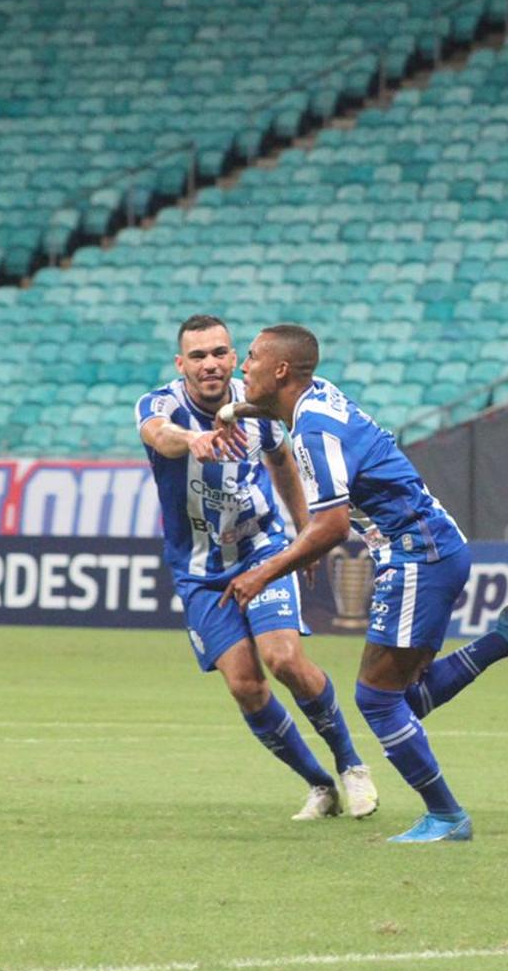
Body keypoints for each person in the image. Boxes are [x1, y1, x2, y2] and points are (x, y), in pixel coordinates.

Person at [216, 323, 508, 843]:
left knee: (378, 700)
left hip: (416, 556)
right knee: (403, 698)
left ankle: (447, 816)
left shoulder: (316, 433)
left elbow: (332, 526)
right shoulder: (316, 397)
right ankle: (506, 638)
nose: (241, 367)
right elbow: (273, 404)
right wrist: (236, 410)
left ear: (280, 370)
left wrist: (264, 571)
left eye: (250, 358)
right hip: (436, 546)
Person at [136, 315, 377, 822]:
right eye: (198, 356)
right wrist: (192, 441)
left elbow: (283, 463)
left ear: (232, 356)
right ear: (181, 364)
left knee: (284, 658)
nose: (211, 364)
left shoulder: (259, 402)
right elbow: (159, 436)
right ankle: (320, 784)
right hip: (200, 570)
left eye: (221, 352)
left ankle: (352, 765)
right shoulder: (161, 406)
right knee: (245, 684)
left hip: (261, 547)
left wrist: (305, 537)